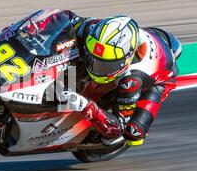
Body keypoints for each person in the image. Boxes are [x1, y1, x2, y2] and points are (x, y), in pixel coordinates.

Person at [59, 11, 182, 147]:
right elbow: (64, 18)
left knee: (133, 134)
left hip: (159, 80)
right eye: (95, 60)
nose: (97, 68)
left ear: (126, 60)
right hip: (134, 43)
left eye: (106, 65)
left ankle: (103, 136)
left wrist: (86, 106)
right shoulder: (92, 29)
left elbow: (117, 127)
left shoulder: (133, 79)